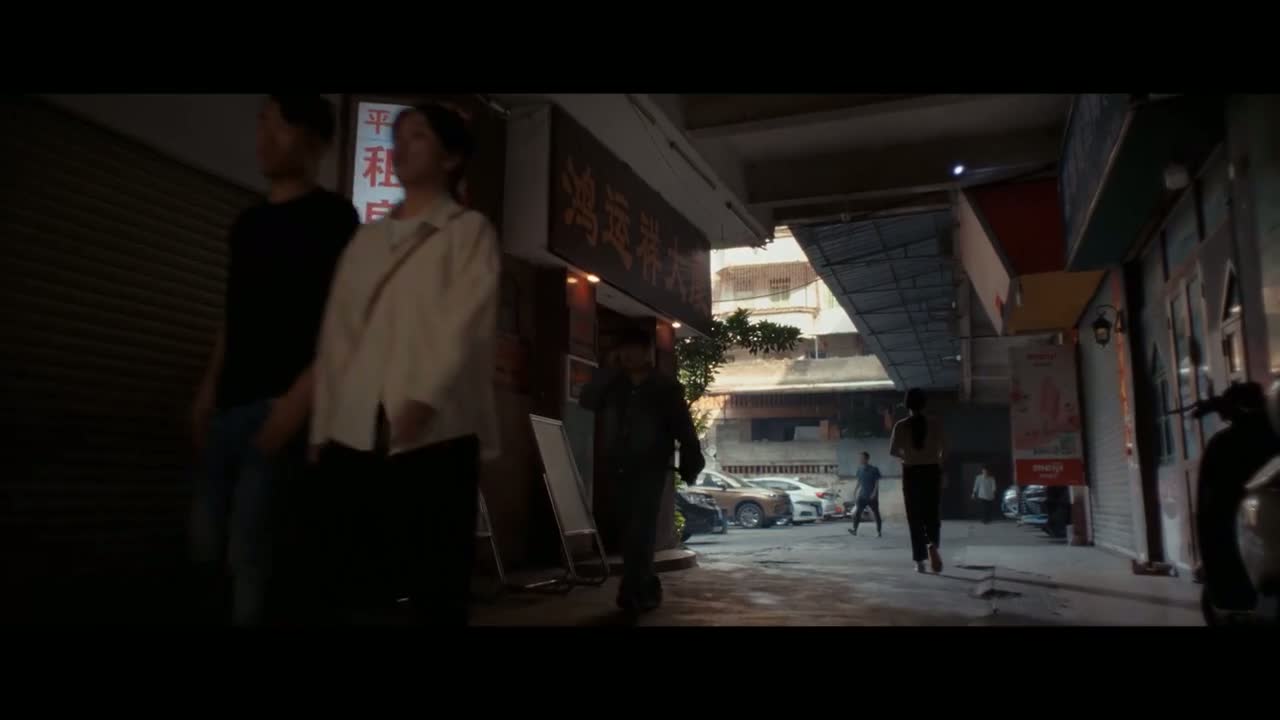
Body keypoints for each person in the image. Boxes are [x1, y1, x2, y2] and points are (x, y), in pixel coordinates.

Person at [309, 103, 500, 626]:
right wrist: (324, 424)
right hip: (355, 430)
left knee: (435, 586)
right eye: (399, 136)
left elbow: (466, 325)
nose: (401, 146)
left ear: (451, 157)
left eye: (418, 136)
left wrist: (422, 398)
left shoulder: (469, 232)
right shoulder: (366, 240)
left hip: (438, 432)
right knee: (351, 584)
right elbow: (338, 338)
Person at [188, 95, 360, 626]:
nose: (264, 137)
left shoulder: (335, 218)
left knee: (253, 559)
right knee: (204, 548)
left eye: (278, 125)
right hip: (227, 408)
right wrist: (208, 389)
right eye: (261, 123)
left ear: (314, 140)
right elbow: (234, 313)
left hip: (281, 408)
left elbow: (345, 321)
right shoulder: (248, 223)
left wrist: (298, 400)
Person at [580, 327, 705, 614]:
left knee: (641, 529)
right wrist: (606, 371)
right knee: (629, 530)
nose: (628, 355)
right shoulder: (613, 384)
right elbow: (587, 400)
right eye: (623, 349)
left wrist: (691, 457)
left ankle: (632, 590)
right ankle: (645, 586)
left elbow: (683, 426)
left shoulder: (665, 387)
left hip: (651, 467)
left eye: (634, 349)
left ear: (647, 352)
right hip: (617, 466)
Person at [889, 388, 946, 574]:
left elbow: (893, 451)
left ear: (907, 405)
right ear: (924, 404)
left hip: (911, 471)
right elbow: (945, 449)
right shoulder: (935, 424)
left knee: (914, 516)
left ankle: (920, 560)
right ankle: (933, 544)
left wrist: (907, 456)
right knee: (932, 513)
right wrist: (937, 460)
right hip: (932, 470)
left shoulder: (901, 426)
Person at [847, 451, 882, 537]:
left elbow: (877, 482)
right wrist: (855, 490)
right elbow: (859, 481)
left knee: (876, 513)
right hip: (862, 495)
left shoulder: (874, 469)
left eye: (862, 458)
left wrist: (874, 493)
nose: (860, 459)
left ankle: (879, 531)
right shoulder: (859, 469)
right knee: (858, 512)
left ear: (867, 459)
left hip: (872, 496)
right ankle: (854, 530)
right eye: (860, 458)